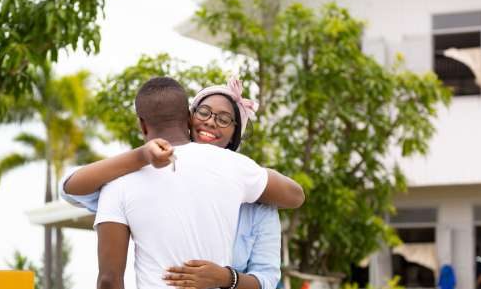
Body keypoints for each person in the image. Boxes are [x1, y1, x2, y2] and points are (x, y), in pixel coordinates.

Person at [62, 77, 304, 289]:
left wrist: (225, 278)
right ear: (189, 117)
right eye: (205, 113)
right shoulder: (237, 168)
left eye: (223, 119)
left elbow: (108, 280)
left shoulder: (118, 182)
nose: (210, 123)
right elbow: (73, 187)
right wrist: (143, 155)